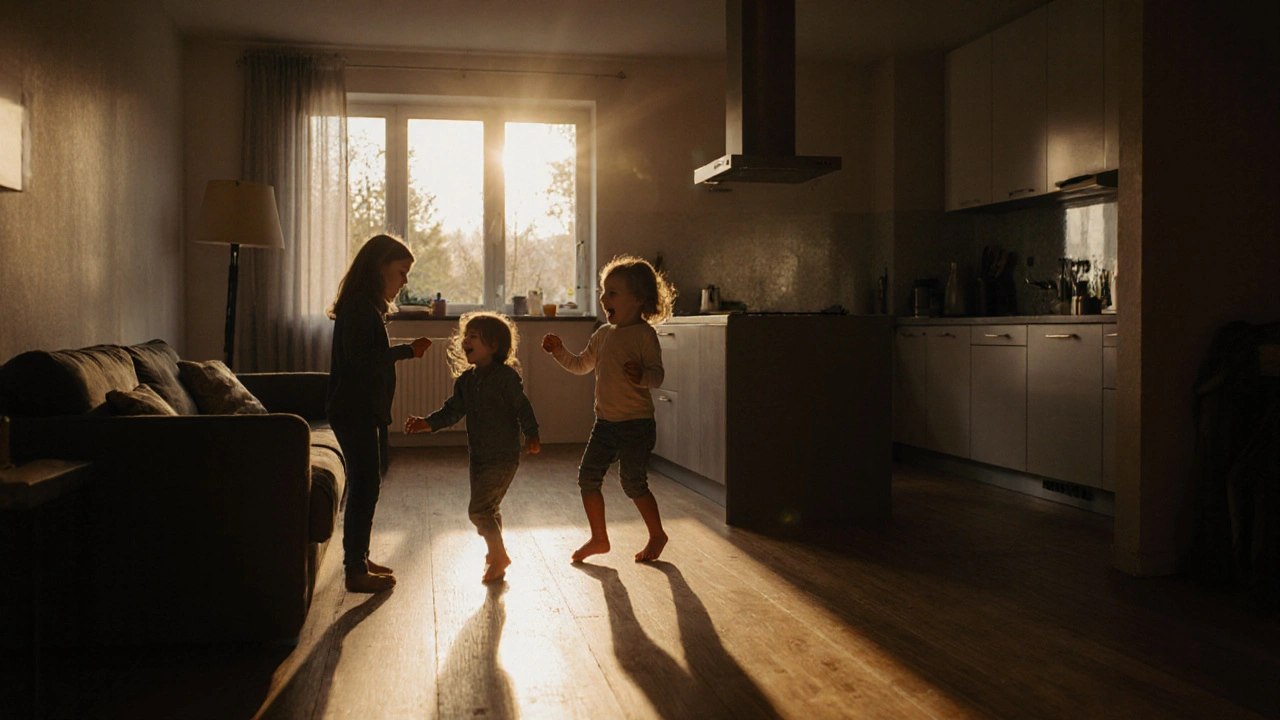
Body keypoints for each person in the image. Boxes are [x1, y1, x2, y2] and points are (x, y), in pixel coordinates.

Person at [541, 254, 676, 563]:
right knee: (588, 478)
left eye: (612, 292)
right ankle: (599, 538)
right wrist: (559, 351)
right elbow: (580, 365)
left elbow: (657, 376)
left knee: (633, 482)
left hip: (636, 425)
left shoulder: (644, 336)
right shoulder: (602, 335)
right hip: (605, 424)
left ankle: (657, 534)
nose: (604, 298)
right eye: (604, 291)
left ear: (638, 299)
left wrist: (642, 377)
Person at [327, 234, 432, 593]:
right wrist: (405, 353)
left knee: (367, 484)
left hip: (363, 410)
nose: (404, 281)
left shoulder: (365, 306)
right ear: (380, 267)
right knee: (365, 486)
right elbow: (361, 363)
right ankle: (355, 569)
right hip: (354, 410)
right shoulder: (359, 307)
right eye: (401, 272)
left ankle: (359, 556)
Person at [404, 312, 540, 583]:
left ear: (494, 346)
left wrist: (532, 433)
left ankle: (499, 556)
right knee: (490, 508)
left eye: (474, 336)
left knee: (478, 511)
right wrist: (427, 424)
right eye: (465, 335)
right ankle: (495, 553)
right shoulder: (466, 381)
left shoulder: (505, 378)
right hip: (478, 457)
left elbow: (522, 407)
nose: (465, 340)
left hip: (502, 457)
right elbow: (452, 411)